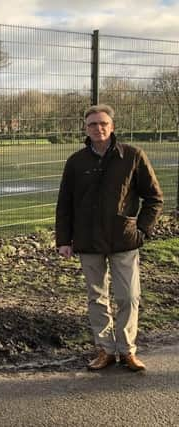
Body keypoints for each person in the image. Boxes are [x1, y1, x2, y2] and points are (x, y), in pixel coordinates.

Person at [56, 104, 163, 372]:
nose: (98, 128)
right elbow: (64, 204)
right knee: (97, 297)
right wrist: (64, 240)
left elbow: (154, 198)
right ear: (85, 128)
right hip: (88, 240)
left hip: (124, 240)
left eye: (103, 123)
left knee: (128, 297)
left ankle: (127, 350)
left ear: (112, 126)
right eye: (92, 124)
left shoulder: (133, 156)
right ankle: (105, 349)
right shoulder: (76, 162)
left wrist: (143, 229)